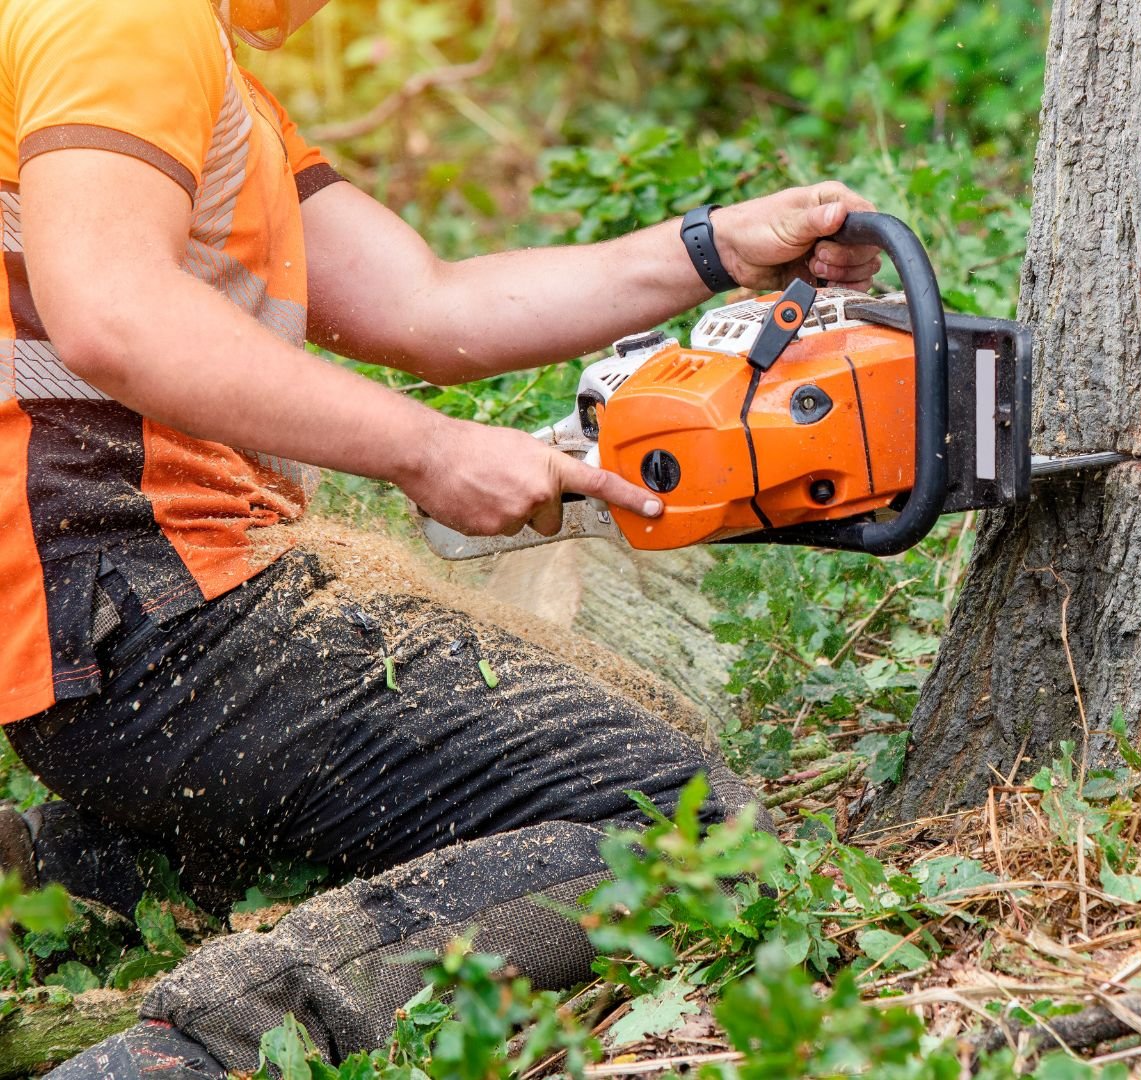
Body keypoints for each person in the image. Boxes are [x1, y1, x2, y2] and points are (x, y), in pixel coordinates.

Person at [0, 0, 884, 1075]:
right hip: (155, 613)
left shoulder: (188, 66)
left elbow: (428, 307)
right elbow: (110, 311)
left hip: (118, 630)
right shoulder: (127, 21)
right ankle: (199, 1049)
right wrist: (426, 451)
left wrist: (712, 247)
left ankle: (76, 874)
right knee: (687, 831)